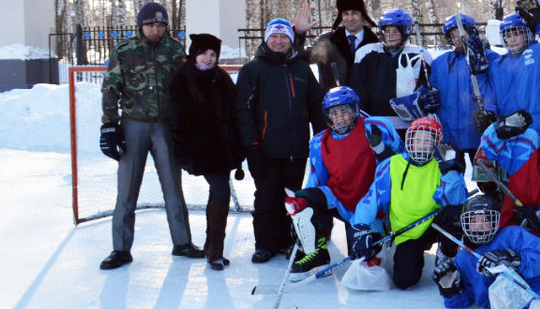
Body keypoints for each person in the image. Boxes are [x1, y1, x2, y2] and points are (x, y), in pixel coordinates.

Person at [98, 1, 201, 269]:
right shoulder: (125, 50)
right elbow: (110, 87)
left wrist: (188, 123)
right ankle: (120, 248)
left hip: (165, 126)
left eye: (160, 25)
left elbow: (186, 88)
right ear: (140, 26)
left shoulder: (175, 50)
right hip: (134, 124)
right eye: (150, 25)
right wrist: (110, 124)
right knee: (127, 189)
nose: (155, 30)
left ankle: (182, 242)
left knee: (172, 186)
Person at [235, 18, 326, 263]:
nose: (278, 41)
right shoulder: (253, 69)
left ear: (290, 40)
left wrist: (321, 137)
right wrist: (252, 145)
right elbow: (243, 110)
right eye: (274, 37)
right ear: (266, 39)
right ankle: (265, 243)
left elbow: (316, 104)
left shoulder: (301, 69)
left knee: (292, 197)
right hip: (264, 148)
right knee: (266, 196)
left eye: (283, 37)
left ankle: (289, 240)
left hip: (296, 147)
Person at [286, 86, 401, 273]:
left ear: (355, 110)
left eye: (344, 112)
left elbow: (403, 165)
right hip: (341, 200)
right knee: (300, 199)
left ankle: (381, 232)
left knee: (365, 262)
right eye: (334, 113)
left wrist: (383, 153)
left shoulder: (377, 127)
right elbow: (315, 182)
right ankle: (317, 253)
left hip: (375, 204)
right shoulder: (319, 141)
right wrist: (302, 220)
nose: (339, 118)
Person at [352, 116, 467, 289]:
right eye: (417, 139)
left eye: (428, 140)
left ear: (436, 143)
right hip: (407, 231)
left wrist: (451, 170)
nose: (422, 144)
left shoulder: (441, 165)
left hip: (435, 224)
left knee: (453, 213)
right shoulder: (391, 164)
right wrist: (360, 227)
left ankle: (447, 252)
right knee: (404, 281)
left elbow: (456, 199)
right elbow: (371, 199)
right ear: (409, 141)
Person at [168, 33, 245, 270]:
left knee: (218, 192)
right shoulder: (181, 79)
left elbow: (234, 111)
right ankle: (215, 251)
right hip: (200, 149)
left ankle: (211, 243)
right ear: (194, 54)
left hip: (222, 147)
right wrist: (186, 154)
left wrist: (237, 144)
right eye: (203, 53)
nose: (208, 59)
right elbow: (177, 121)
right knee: (221, 191)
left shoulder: (221, 77)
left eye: (212, 55)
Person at [474, 114, 540, 260]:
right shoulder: (525, 152)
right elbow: (489, 150)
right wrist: (497, 131)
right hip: (512, 214)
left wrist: (538, 214)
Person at [350, 8, 437, 133]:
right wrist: (366, 122)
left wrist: (430, 97)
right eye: (387, 31)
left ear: (405, 32)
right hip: (377, 124)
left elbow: (428, 87)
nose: (390, 36)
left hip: (413, 126)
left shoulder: (420, 54)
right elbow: (358, 91)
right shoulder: (366, 54)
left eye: (395, 31)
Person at [489, 0, 540, 134]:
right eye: (508, 35)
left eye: (518, 33)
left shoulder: (539, 52)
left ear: (528, 33)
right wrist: (490, 113)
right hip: (509, 130)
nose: (512, 39)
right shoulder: (498, 64)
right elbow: (492, 97)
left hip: (538, 127)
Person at [429, 13, 499, 160]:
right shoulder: (441, 63)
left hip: (479, 130)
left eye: (461, 33)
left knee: (486, 180)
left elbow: (496, 90)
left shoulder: (491, 57)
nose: (458, 39)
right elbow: (433, 90)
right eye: (453, 36)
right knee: (452, 178)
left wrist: (490, 112)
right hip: (450, 134)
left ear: (471, 33)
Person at [295, 0, 376, 91]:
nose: (350, 18)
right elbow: (299, 58)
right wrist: (299, 34)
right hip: (333, 103)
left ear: (363, 16)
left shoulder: (376, 45)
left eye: (354, 13)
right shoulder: (327, 41)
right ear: (341, 17)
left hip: (367, 105)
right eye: (346, 13)